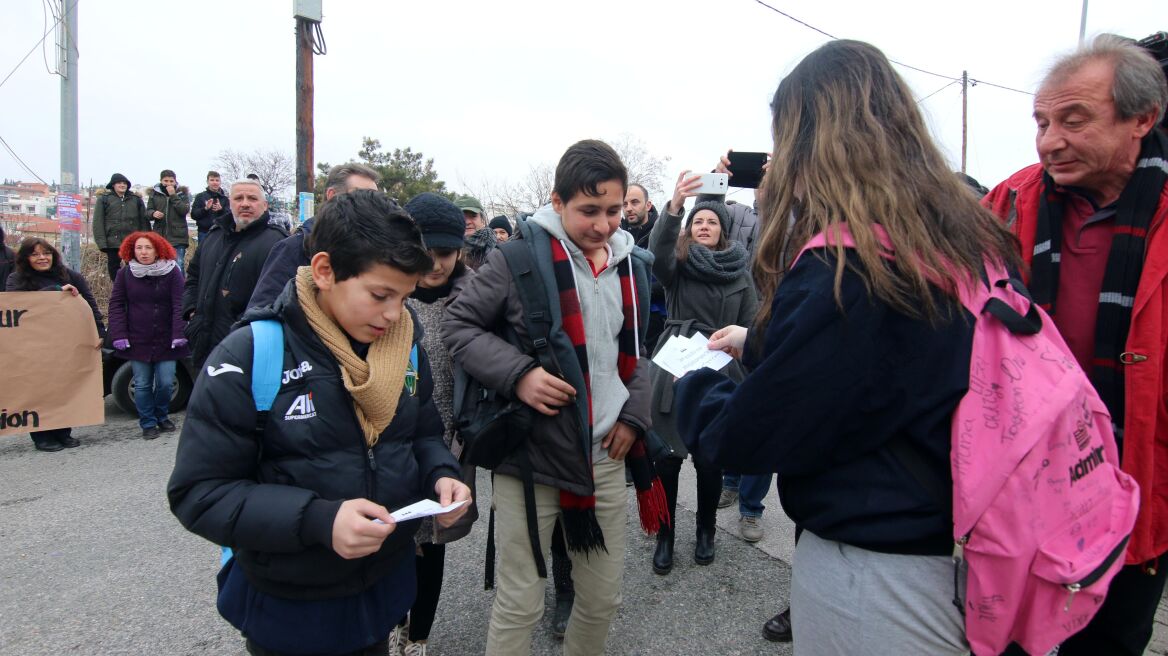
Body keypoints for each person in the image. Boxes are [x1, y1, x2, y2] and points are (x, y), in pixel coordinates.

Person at [674, 40, 1021, 655]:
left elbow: (754, 434)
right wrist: (762, 345)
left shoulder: (850, 264)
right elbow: (876, 370)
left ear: (814, 141)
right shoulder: (968, 240)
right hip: (972, 543)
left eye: (787, 139)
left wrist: (688, 385)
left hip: (879, 574)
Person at [168, 189, 471, 656]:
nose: (396, 314)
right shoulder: (250, 355)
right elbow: (199, 493)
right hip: (290, 606)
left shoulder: (402, 344)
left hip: (381, 592)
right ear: (326, 271)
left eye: (405, 297)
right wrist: (320, 520)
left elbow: (422, 431)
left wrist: (441, 475)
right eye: (380, 295)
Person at [983, 34, 1168, 656]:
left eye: (1074, 119)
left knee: (1112, 642)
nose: (1049, 140)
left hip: (1141, 481)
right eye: (1042, 121)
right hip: (1026, 485)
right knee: (1010, 640)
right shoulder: (1009, 204)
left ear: (1143, 119)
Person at [444, 139, 660, 656]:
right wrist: (519, 374)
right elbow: (459, 324)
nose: (605, 225)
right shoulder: (517, 258)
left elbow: (639, 349)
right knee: (521, 602)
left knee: (602, 599)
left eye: (613, 210)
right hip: (532, 456)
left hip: (605, 454)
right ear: (557, 202)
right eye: (589, 211)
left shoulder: (632, 266)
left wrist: (633, 414)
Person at [648, 175, 757, 574]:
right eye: (698, 222)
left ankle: (706, 531)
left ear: (723, 232)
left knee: (710, 459)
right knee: (667, 460)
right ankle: (665, 534)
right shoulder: (677, 265)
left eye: (711, 222)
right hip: (674, 365)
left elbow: (750, 323)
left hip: (720, 365)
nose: (705, 226)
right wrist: (675, 206)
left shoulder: (740, 272)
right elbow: (656, 251)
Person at [392, 192, 479, 656]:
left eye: (445, 253)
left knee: (433, 537)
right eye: (425, 252)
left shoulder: (476, 296)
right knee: (393, 536)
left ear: (459, 251)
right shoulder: (389, 296)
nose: (435, 264)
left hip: (449, 437)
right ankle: (393, 621)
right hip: (393, 434)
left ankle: (419, 634)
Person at [6, 237, 105, 452]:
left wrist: (100, 332)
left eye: (46, 253)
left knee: (63, 388)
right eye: (35, 254)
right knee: (39, 390)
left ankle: (63, 432)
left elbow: (90, 304)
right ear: (26, 258)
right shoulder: (16, 280)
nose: (42, 258)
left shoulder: (71, 276)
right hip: (32, 348)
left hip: (66, 344)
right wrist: (54, 291)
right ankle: (41, 436)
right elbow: (19, 307)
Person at [182, 179, 288, 371]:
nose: (245, 203)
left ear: (264, 205)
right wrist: (191, 311)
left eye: (252, 198)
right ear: (229, 203)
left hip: (245, 349)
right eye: (239, 198)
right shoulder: (213, 237)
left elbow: (278, 297)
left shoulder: (277, 243)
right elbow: (193, 277)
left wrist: (241, 327)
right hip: (203, 344)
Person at [248, 162, 380, 310]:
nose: (371, 205)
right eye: (361, 196)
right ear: (332, 196)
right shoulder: (294, 248)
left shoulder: (374, 251)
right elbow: (262, 312)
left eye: (375, 198)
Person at [107, 231, 189, 439]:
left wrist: (179, 332)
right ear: (131, 251)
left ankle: (162, 415)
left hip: (167, 338)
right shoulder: (125, 274)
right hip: (138, 338)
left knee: (165, 382)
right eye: (139, 248)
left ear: (158, 249)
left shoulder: (172, 272)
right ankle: (148, 423)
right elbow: (116, 305)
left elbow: (180, 303)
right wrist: (119, 334)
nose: (143, 252)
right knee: (142, 384)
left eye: (148, 248)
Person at [92, 172, 149, 281]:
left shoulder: (136, 200)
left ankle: (133, 289)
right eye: (119, 183)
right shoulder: (104, 199)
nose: (122, 185)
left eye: (124, 183)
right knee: (113, 268)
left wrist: (146, 240)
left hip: (132, 241)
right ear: (113, 185)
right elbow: (98, 222)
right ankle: (118, 289)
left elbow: (144, 222)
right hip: (112, 242)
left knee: (135, 268)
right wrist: (102, 243)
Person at [145, 169, 192, 272]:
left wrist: (173, 195)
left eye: (171, 181)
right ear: (161, 181)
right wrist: (153, 213)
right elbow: (148, 212)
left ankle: (180, 287)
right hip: (160, 235)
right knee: (159, 265)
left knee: (178, 265)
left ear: (175, 181)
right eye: (166, 181)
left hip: (178, 236)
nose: (168, 184)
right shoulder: (154, 194)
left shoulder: (183, 194)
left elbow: (184, 210)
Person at [191, 171, 231, 243]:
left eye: (217, 180)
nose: (215, 182)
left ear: (220, 182)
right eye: (212, 180)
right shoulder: (200, 197)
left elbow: (230, 217)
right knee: (203, 253)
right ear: (207, 182)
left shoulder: (225, 199)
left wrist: (221, 209)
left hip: (220, 232)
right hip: (204, 232)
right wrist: (205, 209)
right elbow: (193, 215)